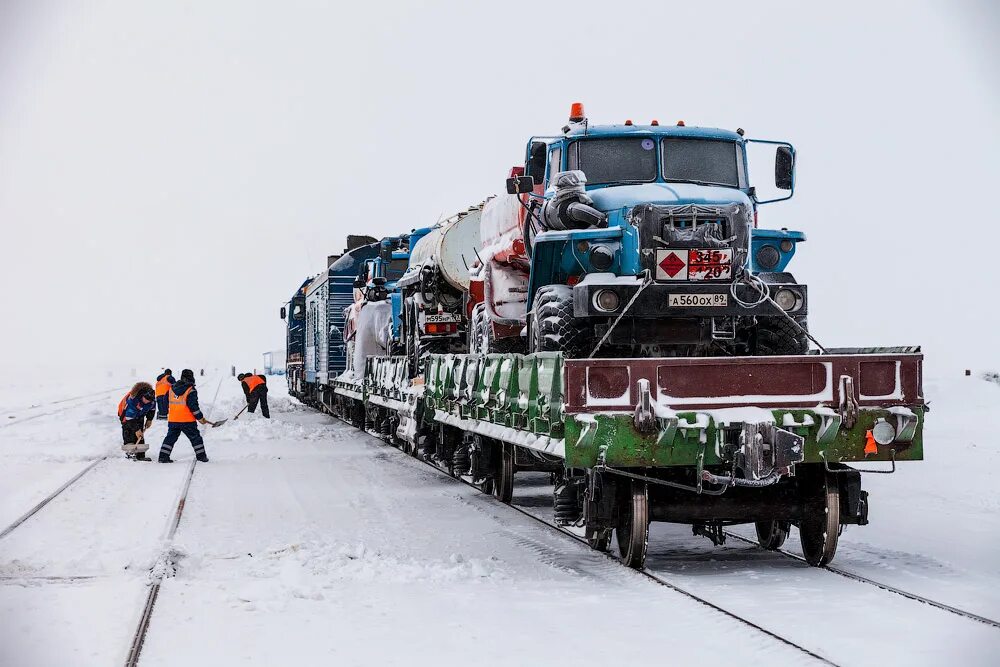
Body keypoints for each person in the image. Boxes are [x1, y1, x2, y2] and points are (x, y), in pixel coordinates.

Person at [158, 369, 218, 463]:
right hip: (187, 421)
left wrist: (170, 411)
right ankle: (201, 457)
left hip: (173, 420)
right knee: (195, 438)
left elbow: (165, 402)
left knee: (170, 439)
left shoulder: (171, 389)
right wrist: (200, 418)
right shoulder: (191, 390)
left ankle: (163, 457)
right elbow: (193, 407)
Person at [118, 382, 156, 460]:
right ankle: (130, 452)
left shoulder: (151, 401)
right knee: (129, 431)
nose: (147, 401)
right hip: (126, 415)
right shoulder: (133, 400)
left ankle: (140, 455)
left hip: (139, 415)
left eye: (150, 400)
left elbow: (152, 409)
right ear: (142, 396)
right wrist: (136, 429)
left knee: (140, 434)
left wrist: (149, 419)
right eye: (146, 399)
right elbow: (129, 418)